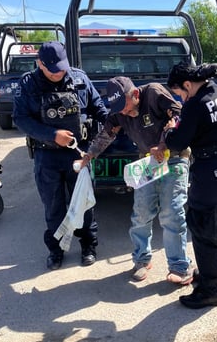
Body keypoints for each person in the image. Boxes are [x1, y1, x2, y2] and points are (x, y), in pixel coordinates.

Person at [81, 76, 194, 284]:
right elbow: (106, 134)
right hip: (147, 163)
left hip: (174, 157)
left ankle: (180, 266)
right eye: (117, 109)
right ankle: (142, 260)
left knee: (171, 213)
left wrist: (163, 143)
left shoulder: (153, 93)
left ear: (134, 94)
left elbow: (179, 116)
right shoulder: (118, 111)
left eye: (124, 107)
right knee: (140, 214)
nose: (122, 113)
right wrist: (89, 156)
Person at [163, 62, 217, 309]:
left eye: (179, 93)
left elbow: (178, 143)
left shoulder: (195, 104)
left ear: (188, 84)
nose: (180, 98)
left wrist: (171, 130)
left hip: (214, 178)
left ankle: (210, 291)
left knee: (204, 233)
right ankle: (211, 277)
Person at [13, 41, 108, 270]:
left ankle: (88, 245)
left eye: (62, 67)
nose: (59, 73)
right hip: (47, 156)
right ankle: (56, 251)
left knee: (84, 204)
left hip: (79, 154)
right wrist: (52, 134)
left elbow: (99, 109)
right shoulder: (29, 84)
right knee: (54, 207)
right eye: (52, 69)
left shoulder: (79, 78)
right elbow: (20, 118)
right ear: (40, 64)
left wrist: (117, 124)